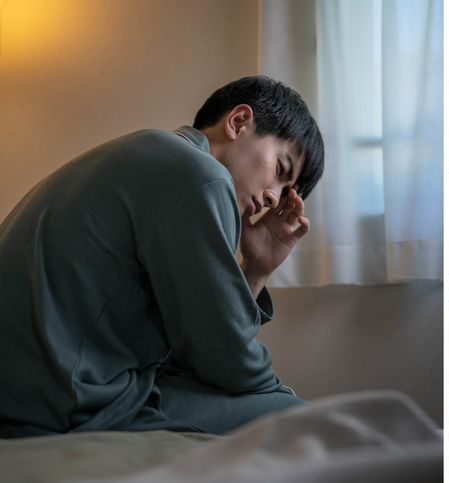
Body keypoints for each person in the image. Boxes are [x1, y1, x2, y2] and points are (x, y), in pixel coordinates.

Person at [0, 75, 324, 437]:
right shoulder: (199, 175)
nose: (274, 199)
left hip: (31, 393)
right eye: (280, 171)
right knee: (305, 418)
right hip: (63, 404)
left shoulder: (156, 153)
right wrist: (278, 392)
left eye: (286, 192)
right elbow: (230, 363)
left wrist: (258, 267)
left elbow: (204, 343)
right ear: (238, 122)